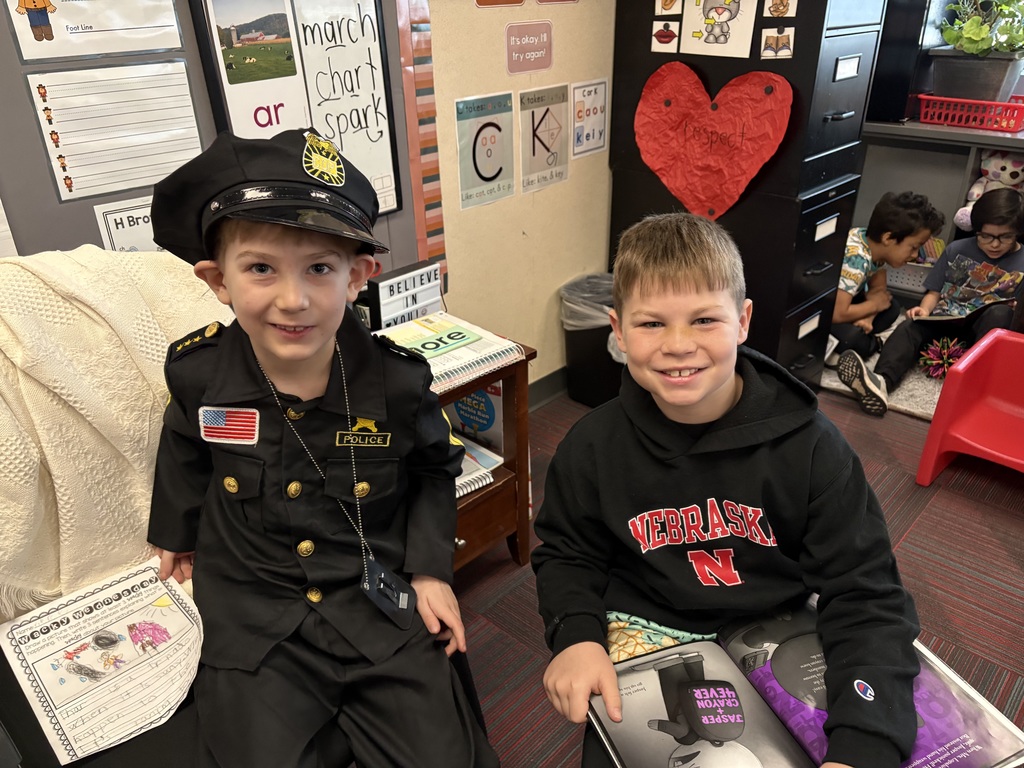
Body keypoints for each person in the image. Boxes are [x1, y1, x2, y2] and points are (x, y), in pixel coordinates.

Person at [146, 128, 498, 768]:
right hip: (256, 609)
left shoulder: (396, 382)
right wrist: (176, 529)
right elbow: (184, 445)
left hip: (370, 595)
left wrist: (428, 570)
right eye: (260, 268)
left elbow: (433, 469)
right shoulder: (198, 375)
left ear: (359, 275)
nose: (293, 299)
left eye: (319, 268)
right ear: (216, 279)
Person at [531, 212, 920, 768]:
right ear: (617, 332)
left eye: (705, 320)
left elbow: (866, 594)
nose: (678, 345)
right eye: (650, 325)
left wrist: (865, 744)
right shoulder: (591, 446)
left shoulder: (813, 448)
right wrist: (575, 635)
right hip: (647, 632)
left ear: (742, 321)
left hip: (776, 630)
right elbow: (568, 553)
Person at [838, 187, 1024, 416]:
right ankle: (881, 381)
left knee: (999, 314)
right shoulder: (956, 249)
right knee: (909, 326)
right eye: (986, 236)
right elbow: (934, 293)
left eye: (1004, 237)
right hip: (945, 322)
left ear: (1017, 232)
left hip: (983, 336)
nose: (994, 244)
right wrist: (923, 309)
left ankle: (974, 385)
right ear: (976, 230)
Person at [830, 191, 945, 363]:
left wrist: (868, 317)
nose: (915, 255)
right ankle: (869, 345)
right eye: (913, 247)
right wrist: (873, 305)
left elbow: (879, 291)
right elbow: (837, 313)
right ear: (888, 238)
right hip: (827, 310)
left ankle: (855, 340)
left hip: (848, 301)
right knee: (854, 339)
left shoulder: (874, 246)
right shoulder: (855, 259)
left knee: (892, 307)